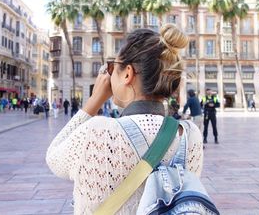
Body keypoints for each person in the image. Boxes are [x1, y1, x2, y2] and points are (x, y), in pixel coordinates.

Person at [46, 25, 203, 214]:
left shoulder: (96, 130)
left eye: (113, 68)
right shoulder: (190, 135)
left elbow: (53, 158)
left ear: (127, 74)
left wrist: (94, 101)